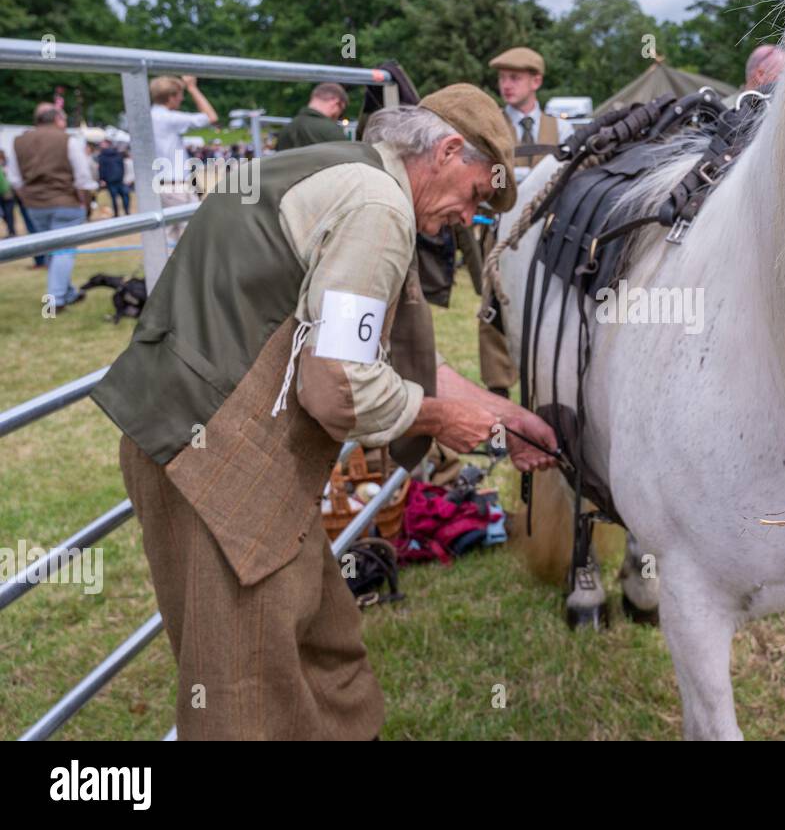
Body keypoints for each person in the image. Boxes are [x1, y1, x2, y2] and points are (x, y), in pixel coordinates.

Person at [91, 85, 559, 740]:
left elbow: (355, 351)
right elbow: (338, 381)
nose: (467, 218)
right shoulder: (377, 207)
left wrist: (501, 414)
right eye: (477, 195)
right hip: (218, 468)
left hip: (215, 448)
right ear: (450, 150)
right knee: (245, 695)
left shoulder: (335, 169)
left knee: (326, 642)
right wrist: (436, 419)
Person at [483, 46, 574, 397]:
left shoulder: (560, 129)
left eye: (515, 78)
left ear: (536, 81)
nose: (506, 85)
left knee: (550, 301)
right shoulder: (493, 128)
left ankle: (549, 384)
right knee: (494, 306)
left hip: (548, 231)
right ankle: (499, 396)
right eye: (503, 78)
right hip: (500, 229)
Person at [10, 103, 97, 309]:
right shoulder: (67, 140)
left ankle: (67, 293)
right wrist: (83, 200)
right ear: (57, 120)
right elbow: (83, 177)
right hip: (65, 202)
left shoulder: (18, 141)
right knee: (63, 250)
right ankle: (55, 299)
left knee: (53, 250)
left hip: (34, 205)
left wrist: (28, 198)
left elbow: (15, 178)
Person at [150, 74, 218, 244]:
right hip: (176, 185)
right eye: (180, 95)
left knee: (166, 240)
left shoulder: (148, 117)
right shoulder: (168, 118)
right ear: (171, 97)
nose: (181, 99)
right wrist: (192, 88)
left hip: (159, 185)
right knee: (192, 238)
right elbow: (211, 117)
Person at [276, 83, 350, 152]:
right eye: (341, 112)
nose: (338, 117)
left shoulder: (286, 130)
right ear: (336, 102)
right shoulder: (332, 131)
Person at [96, 140, 130, 216]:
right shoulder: (117, 154)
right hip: (119, 178)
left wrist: (102, 179)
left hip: (110, 180)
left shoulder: (102, 156)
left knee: (114, 198)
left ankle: (116, 213)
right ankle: (127, 211)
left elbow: (102, 169)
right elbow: (122, 166)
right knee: (124, 195)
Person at [0, 150, 16, 237]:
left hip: (7, 193)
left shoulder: (6, 165)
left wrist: (7, 191)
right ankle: (11, 231)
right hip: (4, 194)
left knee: (8, 214)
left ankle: (12, 231)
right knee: (5, 214)